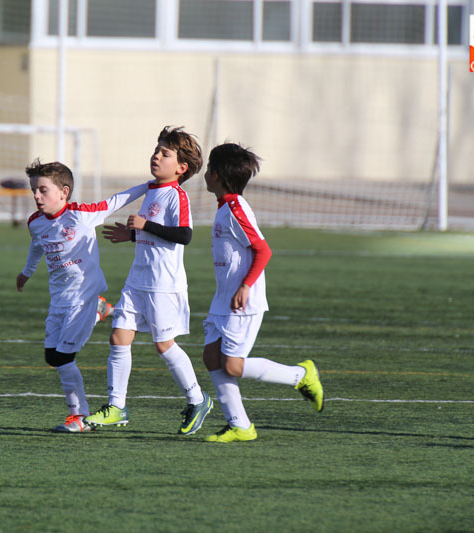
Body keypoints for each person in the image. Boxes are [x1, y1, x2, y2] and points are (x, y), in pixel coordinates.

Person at [85, 126, 213, 436]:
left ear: (181, 168)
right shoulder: (152, 190)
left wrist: (144, 225)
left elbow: (184, 235)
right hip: (137, 280)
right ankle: (117, 406)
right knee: (119, 337)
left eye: (165, 154)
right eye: (156, 151)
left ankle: (198, 400)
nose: (156, 156)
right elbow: (155, 235)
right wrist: (131, 235)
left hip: (163, 285)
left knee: (164, 345)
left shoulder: (177, 195)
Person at [200, 143, 324, 443]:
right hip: (223, 298)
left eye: (208, 168)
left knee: (232, 365)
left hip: (242, 301)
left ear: (216, 176)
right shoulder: (225, 206)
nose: (205, 173)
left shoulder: (235, 209)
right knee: (211, 357)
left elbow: (263, 250)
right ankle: (240, 425)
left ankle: (301, 375)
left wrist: (245, 285)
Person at [16, 159, 148, 433]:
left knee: (64, 358)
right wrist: (26, 273)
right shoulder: (36, 222)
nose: (36, 196)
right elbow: (37, 246)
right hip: (59, 300)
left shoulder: (81, 215)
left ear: (64, 192)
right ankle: (101, 310)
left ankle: (80, 416)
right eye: (34, 190)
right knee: (52, 356)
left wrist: (151, 185)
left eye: (43, 190)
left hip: (82, 298)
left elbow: (117, 200)